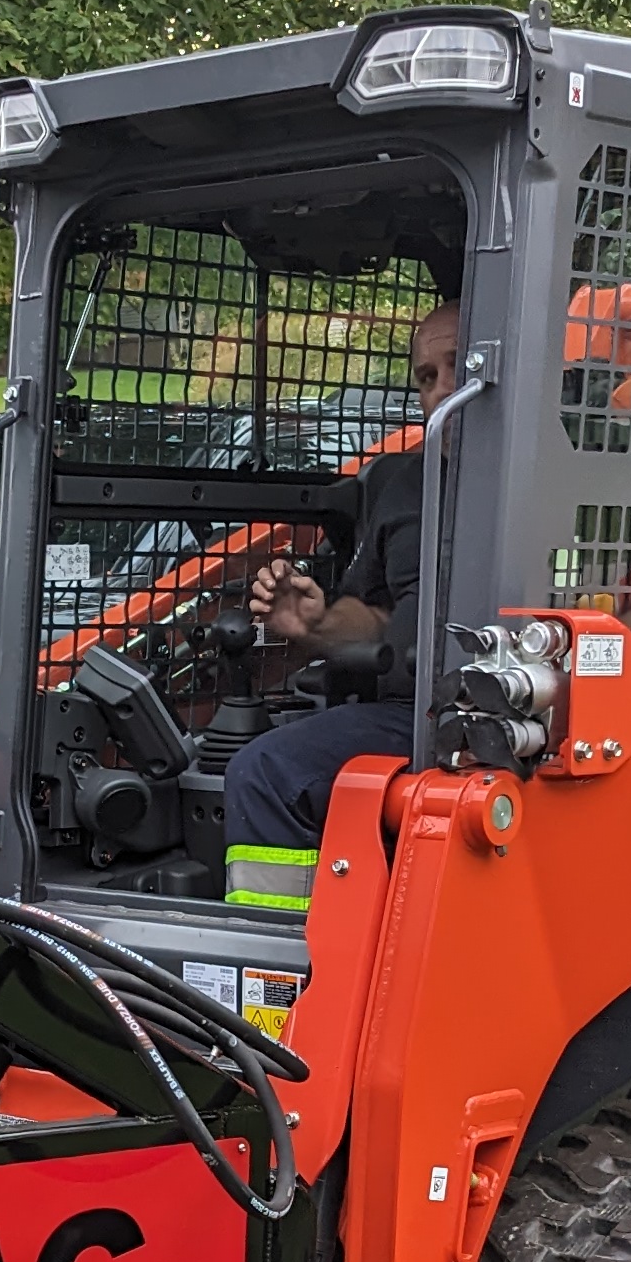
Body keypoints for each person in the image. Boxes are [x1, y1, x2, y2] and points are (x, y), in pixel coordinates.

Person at [222, 293, 465, 914]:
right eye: (426, 378)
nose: (441, 390)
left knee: (268, 775)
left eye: (459, 367)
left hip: (509, 719)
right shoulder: (401, 485)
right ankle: (286, 946)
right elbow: (378, 619)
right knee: (261, 763)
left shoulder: (558, 484)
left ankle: (277, 956)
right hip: (409, 715)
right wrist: (317, 623)